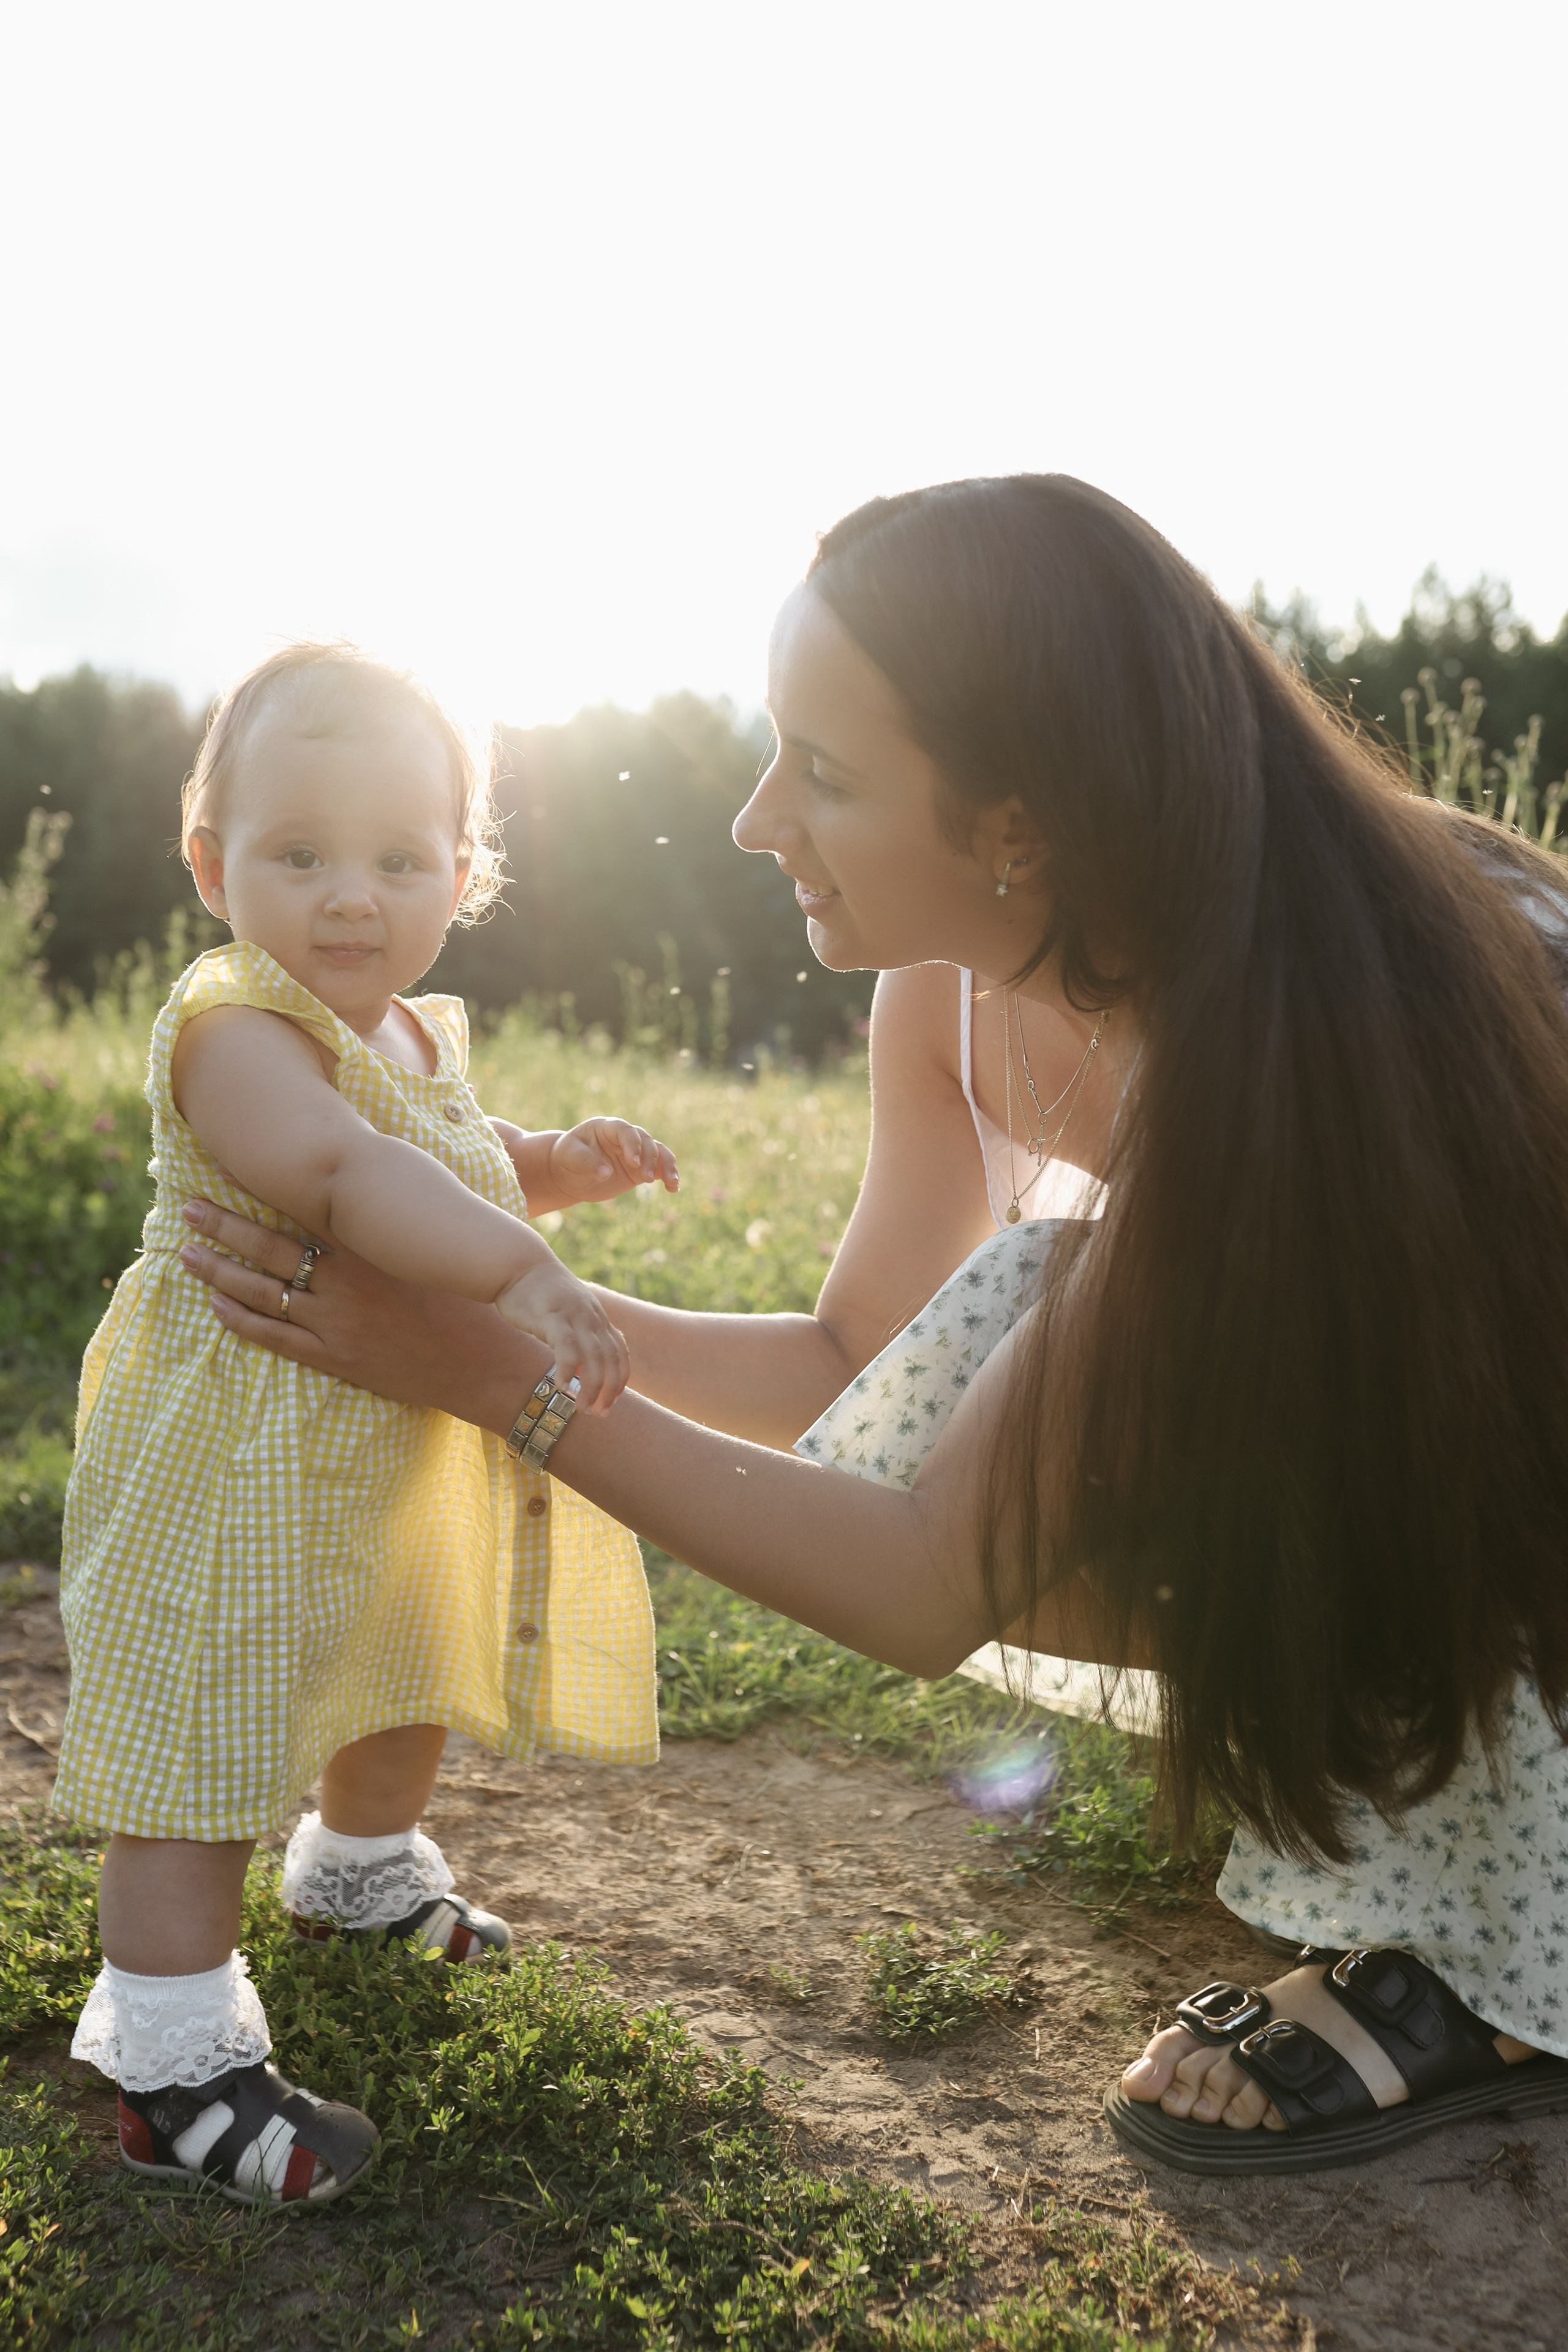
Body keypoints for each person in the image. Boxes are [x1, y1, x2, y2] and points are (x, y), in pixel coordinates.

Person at [179, 477, 1568, 2176]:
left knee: (1071, 1312)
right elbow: (855, 1364)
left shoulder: (1307, 1035)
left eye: (824, 775)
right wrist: (498, 1291)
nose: (761, 820)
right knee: (1021, 1327)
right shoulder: (953, 988)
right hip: (1454, 1459)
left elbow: (926, 1577)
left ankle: (1486, 1969)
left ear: (1021, 826)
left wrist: (487, 1369)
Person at [59, 643, 679, 2206]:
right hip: (234, 1453)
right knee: (202, 1735)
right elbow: (339, 1176)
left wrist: (547, 1168)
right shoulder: (234, 1024)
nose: (351, 894)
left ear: (464, 875)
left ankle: (356, 1871)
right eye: (300, 852)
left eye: (400, 858)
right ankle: (174, 2065)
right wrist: (525, 1267)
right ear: (212, 867)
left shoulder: (419, 1034)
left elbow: (440, 1160)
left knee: (405, 1658)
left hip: (376, 1451)